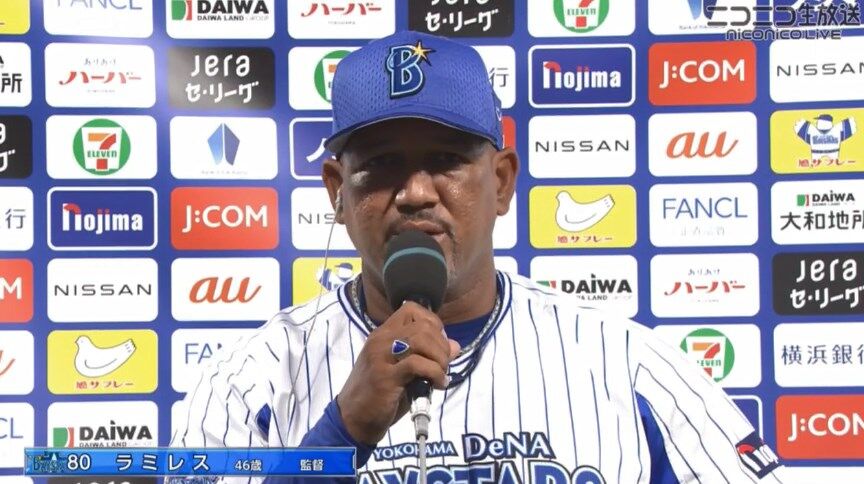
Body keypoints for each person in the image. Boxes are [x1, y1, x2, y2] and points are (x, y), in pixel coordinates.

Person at [170, 30, 788, 484]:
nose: (416, 193)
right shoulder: (250, 379)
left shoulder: (623, 362)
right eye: (381, 164)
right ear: (337, 191)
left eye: (445, 160)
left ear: (501, 181)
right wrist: (342, 432)